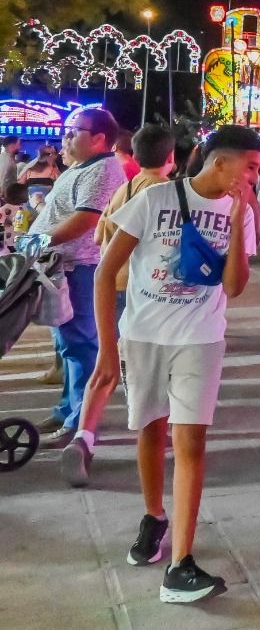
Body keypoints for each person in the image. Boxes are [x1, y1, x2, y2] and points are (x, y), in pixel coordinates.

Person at [89, 125, 260, 603]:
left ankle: (181, 563)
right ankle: (154, 515)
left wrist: (238, 222)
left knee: (190, 441)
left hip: (201, 338)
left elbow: (233, 287)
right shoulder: (155, 198)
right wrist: (107, 348)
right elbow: (105, 273)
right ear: (220, 162)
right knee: (150, 429)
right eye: (250, 167)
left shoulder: (242, 211)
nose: (255, 176)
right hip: (144, 334)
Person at [62, 124, 177, 487]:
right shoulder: (166, 193)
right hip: (144, 292)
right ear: (171, 157)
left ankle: (83, 438)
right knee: (155, 368)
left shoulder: (124, 189)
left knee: (105, 366)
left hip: (110, 286)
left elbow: (100, 235)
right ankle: (158, 433)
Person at [31, 106, 127, 448]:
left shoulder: (103, 169)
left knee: (82, 345)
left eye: (75, 131)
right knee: (67, 344)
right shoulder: (80, 167)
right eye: (67, 131)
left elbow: (86, 219)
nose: (66, 137)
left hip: (81, 268)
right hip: (61, 266)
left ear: (99, 138)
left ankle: (79, 423)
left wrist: (38, 240)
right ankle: (67, 410)